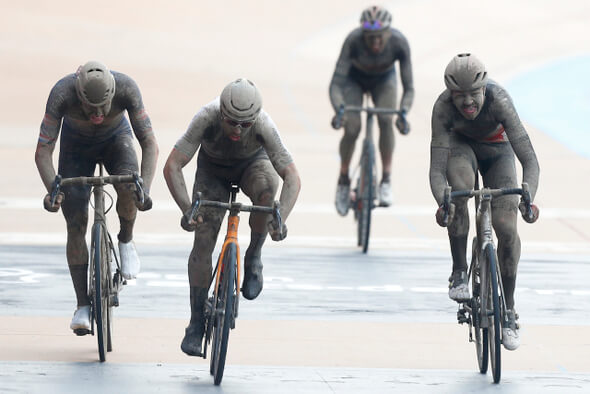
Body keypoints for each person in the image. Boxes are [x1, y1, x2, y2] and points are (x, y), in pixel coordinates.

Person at [163, 78, 301, 357]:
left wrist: (280, 218)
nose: (238, 130)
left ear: (254, 119)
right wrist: (187, 209)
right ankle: (196, 322)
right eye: (232, 123)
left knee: (267, 190)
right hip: (212, 171)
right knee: (203, 241)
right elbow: (173, 165)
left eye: (245, 124)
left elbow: (292, 177)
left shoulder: (264, 125)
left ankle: (254, 255)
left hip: (252, 165)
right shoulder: (206, 117)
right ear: (221, 114)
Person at [35, 60, 159, 334]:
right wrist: (52, 189)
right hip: (75, 146)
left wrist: (145, 188)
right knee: (75, 221)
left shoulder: (127, 88)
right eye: (90, 108)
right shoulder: (61, 94)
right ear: (77, 95)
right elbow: (43, 150)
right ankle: (82, 305)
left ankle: (125, 239)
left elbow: (149, 143)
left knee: (129, 186)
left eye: (104, 107)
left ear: (113, 93)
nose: (98, 113)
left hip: (117, 140)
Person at [429, 53, 540, 350]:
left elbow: (529, 159)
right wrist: (443, 201)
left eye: (473, 94)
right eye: (459, 96)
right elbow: (438, 170)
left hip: (498, 151)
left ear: (484, 89)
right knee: (460, 191)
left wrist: (528, 197)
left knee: (506, 227)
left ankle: (508, 310)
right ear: (449, 95)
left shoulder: (499, 100)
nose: (467, 103)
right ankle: (459, 272)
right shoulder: (441, 109)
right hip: (460, 147)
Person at [329, 5, 414, 215]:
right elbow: (336, 84)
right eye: (370, 37)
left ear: (388, 33)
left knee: (386, 120)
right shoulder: (353, 41)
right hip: (353, 80)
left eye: (379, 37)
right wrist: (340, 110)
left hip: (384, 81)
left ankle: (385, 178)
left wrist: (403, 111)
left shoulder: (399, 43)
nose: (375, 42)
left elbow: (409, 87)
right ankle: (343, 179)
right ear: (363, 34)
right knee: (352, 128)